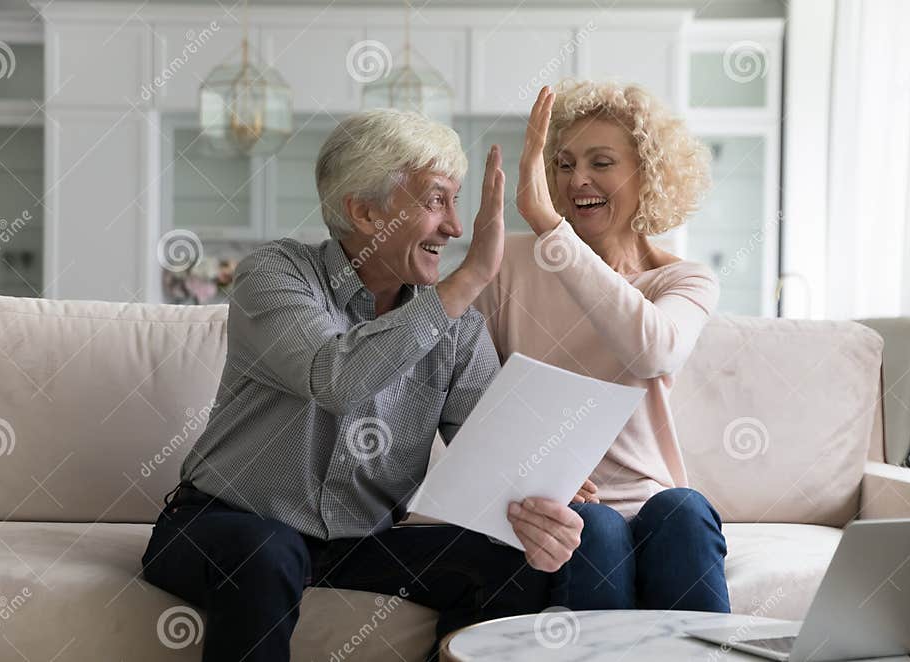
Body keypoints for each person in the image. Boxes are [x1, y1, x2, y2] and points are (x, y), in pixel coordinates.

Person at [140, 108, 595, 662]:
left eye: (456, 202)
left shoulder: (457, 332)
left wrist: (542, 494)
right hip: (223, 526)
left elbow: (494, 450)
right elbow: (335, 376)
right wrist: (471, 275)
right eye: (435, 201)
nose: (454, 227)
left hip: (360, 544)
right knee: (267, 550)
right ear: (363, 210)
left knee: (511, 565)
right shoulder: (275, 275)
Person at [475, 81, 731, 613]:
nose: (578, 180)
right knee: (597, 527)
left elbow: (653, 351)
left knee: (684, 508)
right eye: (564, 164)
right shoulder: (510, 264)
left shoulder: (681, 281)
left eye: (601, 162)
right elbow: (469, 391)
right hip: (555, 509)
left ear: (649, 175)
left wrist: (550, 227)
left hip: (653, 503)